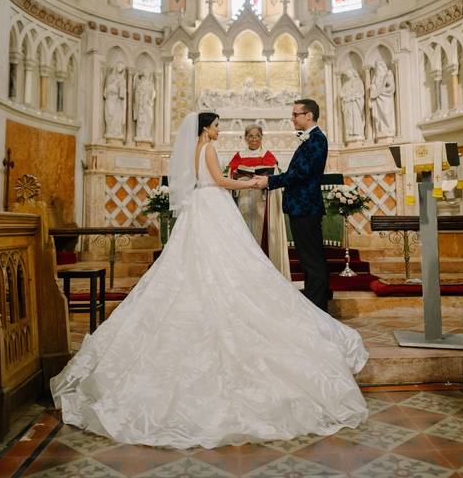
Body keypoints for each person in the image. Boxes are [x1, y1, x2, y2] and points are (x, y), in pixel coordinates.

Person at [51, 111, 367, 449]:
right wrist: (251, 182)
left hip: (199, 211)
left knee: (194, 267)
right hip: (214, 206)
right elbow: (220, 181)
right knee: (231, 266)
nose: (220, 130)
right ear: (205, 128)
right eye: (216, 126)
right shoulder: (210, 150)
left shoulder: (192, 151)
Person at [253, 99, 332, 312]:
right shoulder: (310, 140)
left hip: (306, 207)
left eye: (296, 114)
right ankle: (316, 305)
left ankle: (318, 309)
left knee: (312, 260)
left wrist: (270, 181)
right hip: (301, 206)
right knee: (309, 259)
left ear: (309, 116)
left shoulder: (317, 140)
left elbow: (300, 173)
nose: (293, 118)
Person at [228, 125, 278, 244]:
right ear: (245, 138)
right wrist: (237, 174)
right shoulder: (239, 155)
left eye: (257, 136)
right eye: (250, 136)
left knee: (259, 224)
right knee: (243, 222)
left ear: (262, 138)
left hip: (260, 194)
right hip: (244, 192)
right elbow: (232, 174)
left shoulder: (267, 155)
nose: (254, 139)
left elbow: (274, 173)